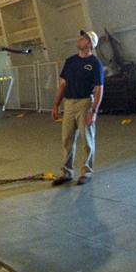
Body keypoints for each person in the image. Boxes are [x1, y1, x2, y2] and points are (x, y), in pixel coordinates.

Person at [50, 30, 104, 185]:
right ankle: (67, 173)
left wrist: (93, 111)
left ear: (89, 43)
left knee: (87, 139)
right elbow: (63, 84)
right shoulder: (71, 61)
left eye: (82, 38)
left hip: (85, 103)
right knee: (67, 139)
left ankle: (87, 172)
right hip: (69, 104)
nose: (78, 40)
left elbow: (100, 88)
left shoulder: (95, 64)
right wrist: (56, 105)